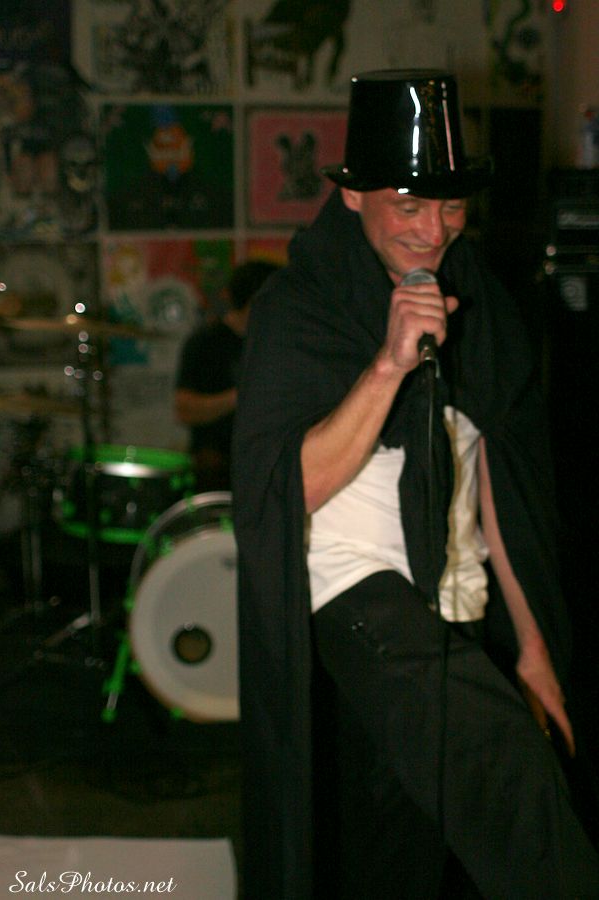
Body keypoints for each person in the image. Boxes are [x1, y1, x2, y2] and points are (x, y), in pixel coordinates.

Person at [231, 70, 599, 899]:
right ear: (353, 195)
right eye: (408, 205)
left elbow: (497, 477)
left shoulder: (484, 306)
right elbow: (284, 488)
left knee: (399, 856)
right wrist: (389, 366)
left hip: (454, 596)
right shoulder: (298, 307)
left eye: (452, 207)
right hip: (351, 589)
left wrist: (533, 647)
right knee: (503, 762)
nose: (433, 231)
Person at [174, 259, 278, 490]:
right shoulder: (205, 343)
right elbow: (184, 409)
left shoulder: (278, 343)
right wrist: (239, 397)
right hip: (219, 467)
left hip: (269, 465)